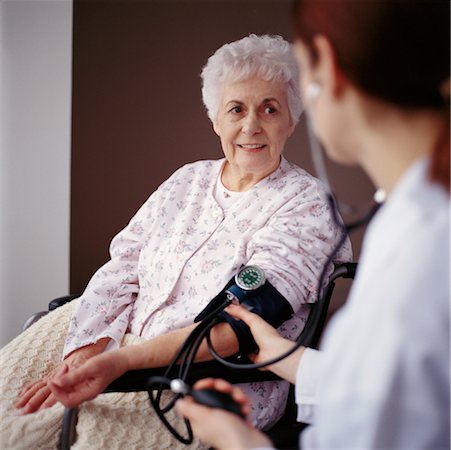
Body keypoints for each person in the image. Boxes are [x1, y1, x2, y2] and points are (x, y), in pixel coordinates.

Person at [0, 34, 351, 449]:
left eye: (270, 109)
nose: (251, 125)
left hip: (203, 372)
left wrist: (119, 362)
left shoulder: (308, 204)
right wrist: (87, 348)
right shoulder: (188, 180)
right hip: (107, 332)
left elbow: (237, 327)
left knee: (81, 432)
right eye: (236, 109)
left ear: (291, 120)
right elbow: (122, 267)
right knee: (11, 407)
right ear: (216, 120)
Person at [173, 0, 451, 449]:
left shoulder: (423, 250)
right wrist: (286, 357)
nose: (252, 126)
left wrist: (239, 442)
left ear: (328, 67)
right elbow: (381, 392)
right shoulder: (413, 222)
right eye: (236, 110)